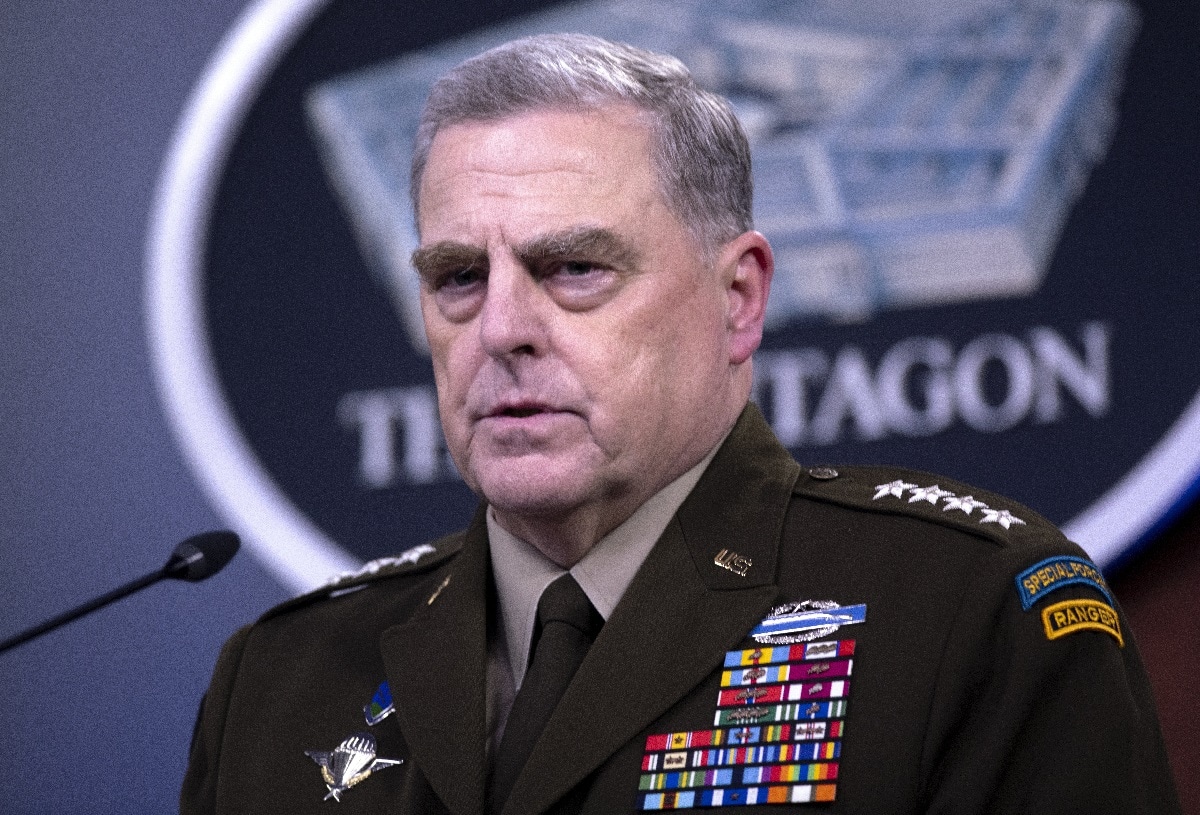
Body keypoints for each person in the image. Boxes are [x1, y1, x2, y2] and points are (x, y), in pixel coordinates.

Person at [181, 33, 1180, 814]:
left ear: (739, 296)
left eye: (573, 267)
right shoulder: (281, 678)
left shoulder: (967, 612)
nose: (502, 328)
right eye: (457, 277)